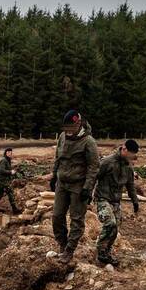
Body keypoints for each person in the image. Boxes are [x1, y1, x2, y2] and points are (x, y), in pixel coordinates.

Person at [50, 110, 100, 261]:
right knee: (57, 216)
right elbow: (58, 158)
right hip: (62, 183)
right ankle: (62, 244)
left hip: (78, 185)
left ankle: (69, 250)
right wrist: (54, 176)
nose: (68, 131)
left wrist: (87, 188)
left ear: (78, 124)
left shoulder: (88, 141)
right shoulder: (63, 137)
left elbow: (94, 166)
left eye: (71, 127)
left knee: (76, 219)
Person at [93, 139, 141, 267]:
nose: (132, 158)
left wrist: (135, 202)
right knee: (110, 223)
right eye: (131, 155)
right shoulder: (107, 162)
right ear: (124, 149)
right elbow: (94, 176)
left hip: (116, 201)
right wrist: (87, 194)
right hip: (102, 198)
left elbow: (130, 186)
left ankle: (106, 253)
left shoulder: (128, 167)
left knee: (115, 229)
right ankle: (100, 249)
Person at [0, 147, 19, 214]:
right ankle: (14, 209)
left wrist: (12, 173)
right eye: (8, 152)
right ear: (6, 153)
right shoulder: (4, 160)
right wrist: (10, 172)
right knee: (10, 192)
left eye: (11, 153)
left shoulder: (7, 160)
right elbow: (2, 170)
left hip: (2, 180)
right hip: (1, 180)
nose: (10, 154)